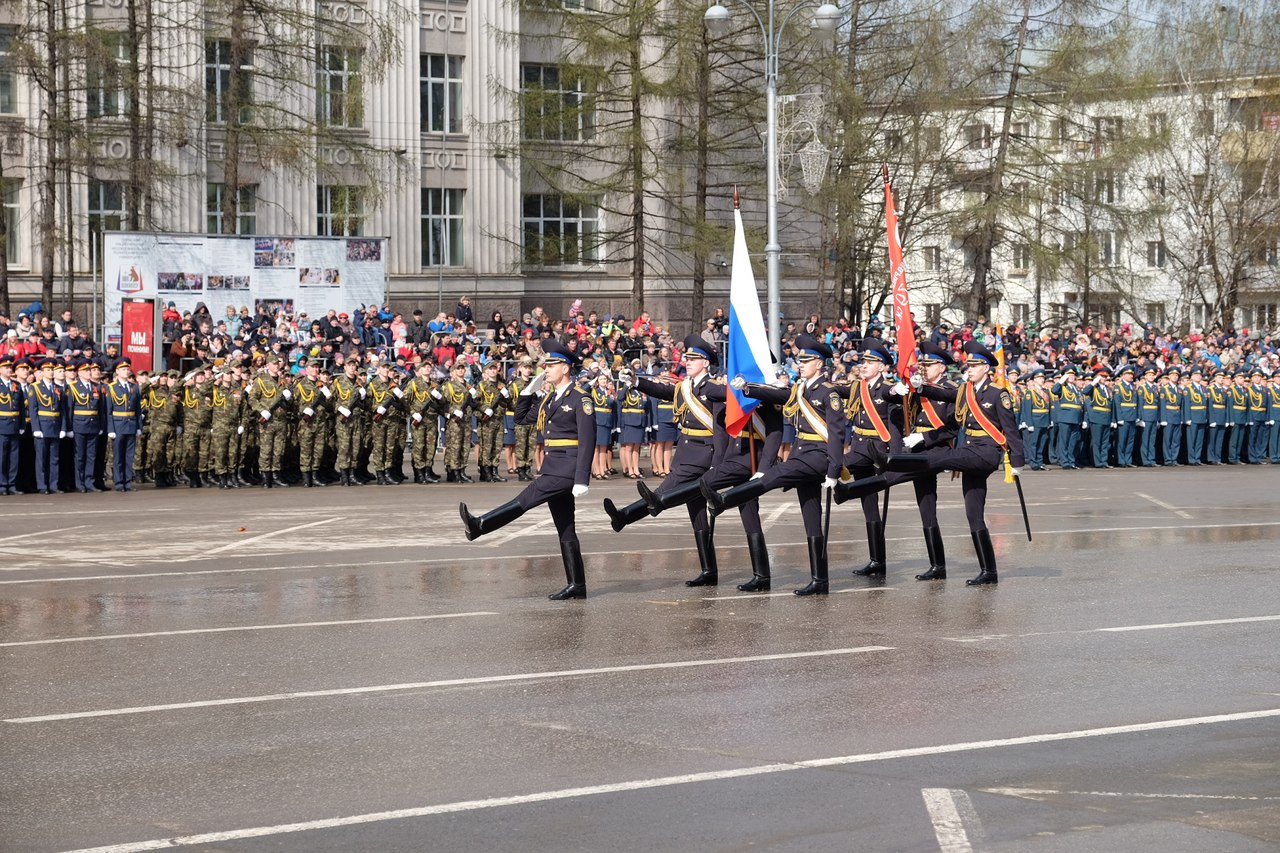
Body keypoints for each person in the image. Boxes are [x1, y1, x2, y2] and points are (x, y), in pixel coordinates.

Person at [872, 340, 1026, 585]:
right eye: (969, 365)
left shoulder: (999, 393)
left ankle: (893, 460)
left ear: (986, 368)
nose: (970, 368)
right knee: (973, 514)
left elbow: (1011, 429)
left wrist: (1017, 460)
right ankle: (989, 572)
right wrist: (921, 388)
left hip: (987, 452)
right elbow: (943, 393)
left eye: (975, 365)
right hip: (971, 452)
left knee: (941, 457)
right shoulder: (965, 391)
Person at [701, 334, 846, 596]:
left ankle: (725, 500)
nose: (800, 364)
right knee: (811, 516)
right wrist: (747, 389)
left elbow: (836, 434)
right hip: (803, 454)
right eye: (799, 359)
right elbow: (775, 394)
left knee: (777, 473)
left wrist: (834, 470)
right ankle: (820, 580)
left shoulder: (828, 392)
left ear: (820, 364)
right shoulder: (800, 390)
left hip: (817, 456)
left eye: (807, 360)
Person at [460, 339, 597, 600]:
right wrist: (526, 392)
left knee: (524, 499)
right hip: (552, 464)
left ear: (565, 368)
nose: (546, 369)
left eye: (552, 365)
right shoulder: (550, 398)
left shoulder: (581, 399)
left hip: (565, 469)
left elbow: (588, 438)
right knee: (566, 528)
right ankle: (577, 585)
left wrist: (582, 477)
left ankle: (480, 525)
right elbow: (522, 417)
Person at [603, 334, 722, 586]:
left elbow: (723, 425)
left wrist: (718, 462)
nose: (687, 362)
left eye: (694, 359)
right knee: (697, 514)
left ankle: (624, 517)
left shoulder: (712, 388)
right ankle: (709, 571)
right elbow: (664, 390)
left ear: (706, 363)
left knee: (661, 494)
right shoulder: (685, 387)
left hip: (702, 455)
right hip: (686, 452)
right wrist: (637, 381)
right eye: (687, 358)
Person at [838, 341, 958, 580]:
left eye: (929, 364)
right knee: (926, 508)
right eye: (922, 364)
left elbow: (953, 428)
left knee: (896, 484)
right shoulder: (918, 388)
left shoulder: (951, 390)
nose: (923, 368)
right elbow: (896, 408)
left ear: (942, 368)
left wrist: (922, 437)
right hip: (915, 450)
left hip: (933, 450)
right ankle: (927, 565)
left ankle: (848, 490)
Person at [836, 338, 901, 578]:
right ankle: (877, 560)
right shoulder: (857, 387)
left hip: (874, 451)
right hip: (859, 445)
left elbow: (894, 424)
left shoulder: (886, 388)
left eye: (870, 362)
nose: (864, 365)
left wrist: (893, 457)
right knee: (869, 506)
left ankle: (844, 489)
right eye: (863, 361)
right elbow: (837, 390)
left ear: (882, 367)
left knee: (838, 465)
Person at [28, 358, 66, 494]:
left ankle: (53, 485)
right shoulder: (35, 387)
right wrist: (36, 429)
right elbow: (33, 410)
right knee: (41, 458)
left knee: (54, 458)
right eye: (48, 370)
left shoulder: (57, 389)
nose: (50, 372)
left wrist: (63, 428)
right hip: (42, 427)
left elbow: (62, 410)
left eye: (52, 370)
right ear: (42, 372)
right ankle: (42, 485)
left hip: (55, 425)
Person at [105, 357, 142, 491]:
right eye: (123, 369)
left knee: (129, 456)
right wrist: (110, 428)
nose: (126, 372)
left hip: (131, 425)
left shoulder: (134, 387)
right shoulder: (111, 388)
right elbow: (108, 411)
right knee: (118, 456)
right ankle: (119, 482)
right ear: (117, 371)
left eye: (127, 369)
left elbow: (138, 409)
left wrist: (139, 426)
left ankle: (128, 482)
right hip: (118, 425)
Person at [68, 360, 105, 492]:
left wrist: (101, 425)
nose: (89, 372)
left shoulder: (96, 386)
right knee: (80, 456)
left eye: (89, 370)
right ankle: (80, 483)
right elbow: (69, 409)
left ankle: (90, 482)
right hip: (79, 425)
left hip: (93, 424)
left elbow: (100, 408)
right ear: (79, 373)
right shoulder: (73, 387)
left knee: (91, 455)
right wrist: (69, 427)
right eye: (86, 371)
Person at [0, 354, 25, 495]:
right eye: (6, 367)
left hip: (14, 425)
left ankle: (12, 483)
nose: (9, 370)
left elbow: (21, 407)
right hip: (2, 425)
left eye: (10, 367)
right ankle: (2, 485)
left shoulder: (17, 385)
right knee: (2, 457)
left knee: (14, 457)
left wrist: (22, 425)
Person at [1018, 368, 1052, 470]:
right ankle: (1034, 462)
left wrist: (1049, 420)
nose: (1042, 379)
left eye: (1042, 378)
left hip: (1044, 420)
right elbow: (1027, 409)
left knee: (1042, 443)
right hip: (1035, 420)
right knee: (1034, 443)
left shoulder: (1045, 392)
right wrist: (1029, 423)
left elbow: (1048, 408)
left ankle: (1040, 461)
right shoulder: (1030, 393)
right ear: (1034, 380)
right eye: (1039, 378)